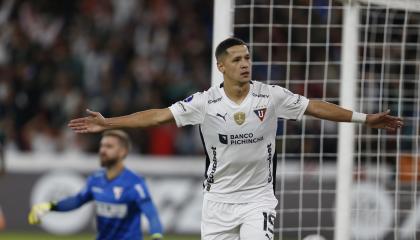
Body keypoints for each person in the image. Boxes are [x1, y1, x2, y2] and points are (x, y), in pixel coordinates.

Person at [68, 37, 403, 240]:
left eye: (247, 58)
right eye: (237, 59)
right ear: (221, 67)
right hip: (217, 202)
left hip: (258, 198)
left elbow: (314, 107)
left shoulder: (270, 96)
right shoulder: (204, 102)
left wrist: (364, 118)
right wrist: (108, 122)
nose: (245, 64)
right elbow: (157, 115)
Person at [28, 130, 163, 240]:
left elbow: (151, 213)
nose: (103, 150)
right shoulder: (96, 179)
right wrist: (49, 206)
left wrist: (156, 235)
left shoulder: (134, 183)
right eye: (102, 146)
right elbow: (77, 201)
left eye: (109, 146)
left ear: (123, 152)